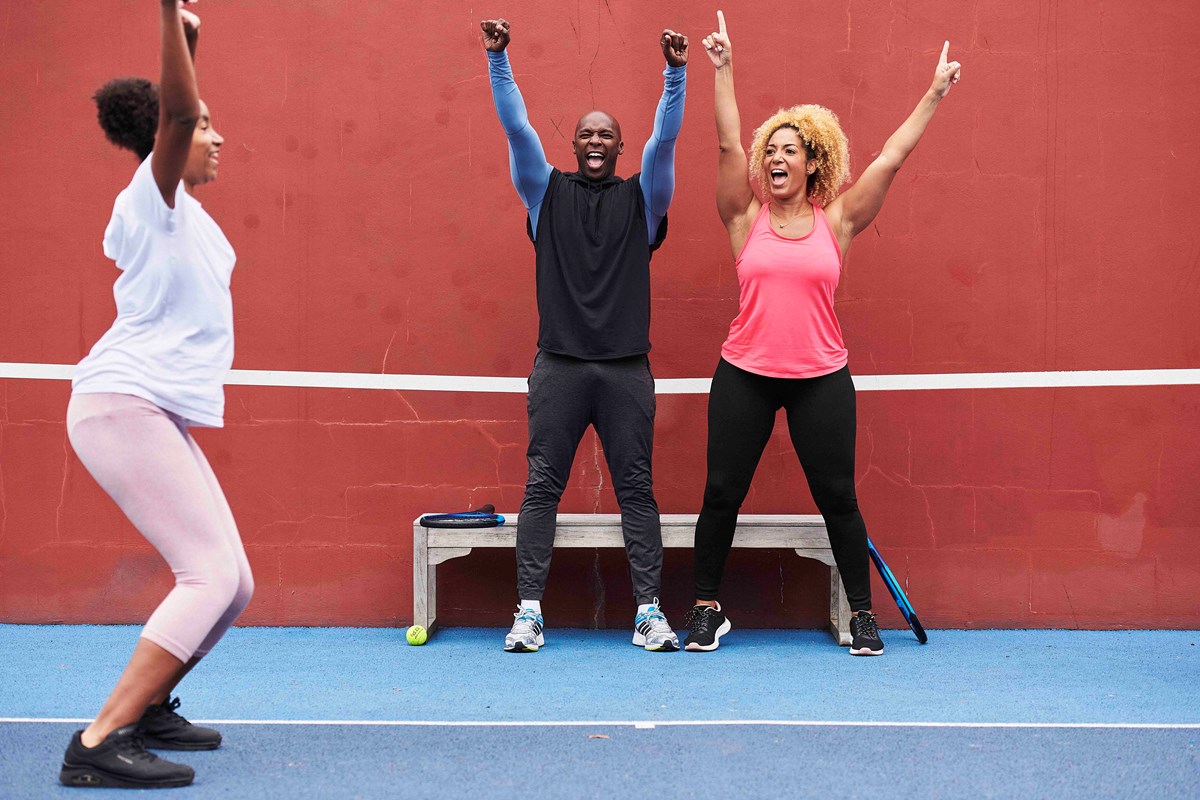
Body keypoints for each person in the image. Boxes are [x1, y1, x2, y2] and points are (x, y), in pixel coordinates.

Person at [684, 11, 961, 655]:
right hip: (745, 372)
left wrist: (934, 94)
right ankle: (705, 609)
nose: (776, 157)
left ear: (813, 164)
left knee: (838, 495)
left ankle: (862, 616)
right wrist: (722, 69)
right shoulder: (743, 217)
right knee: (721, 492)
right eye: (771, 150)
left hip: (821, 378)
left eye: (790, 150)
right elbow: (728, 145)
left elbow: (890, 159)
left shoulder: (835, 221)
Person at [59, 0, 252, 788]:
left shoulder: (183, 213)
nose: (217, 136)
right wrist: (170, 11)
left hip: (151, 409)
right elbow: (174, 111)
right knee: (205, 572)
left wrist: (188, 41)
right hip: (119, 403)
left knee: (234, 586)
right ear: (171, 138)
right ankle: (100, 739)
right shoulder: (152, 199)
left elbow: (174, 105)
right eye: (205, 126)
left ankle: (153, 704)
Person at [479, 17, 689, 652]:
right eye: (586, 133)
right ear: (573, 144)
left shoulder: (644, 199)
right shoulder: (543, 193)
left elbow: (665, 142)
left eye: (607, 135)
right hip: (560, 366)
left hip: (625, 368)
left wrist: (675, 75)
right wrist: (498, 59)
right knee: (542, 484)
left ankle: (649, 612)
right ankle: (528, 611)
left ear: (619, 149)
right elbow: (516, 129)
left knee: (637, 491)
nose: (596, 140)